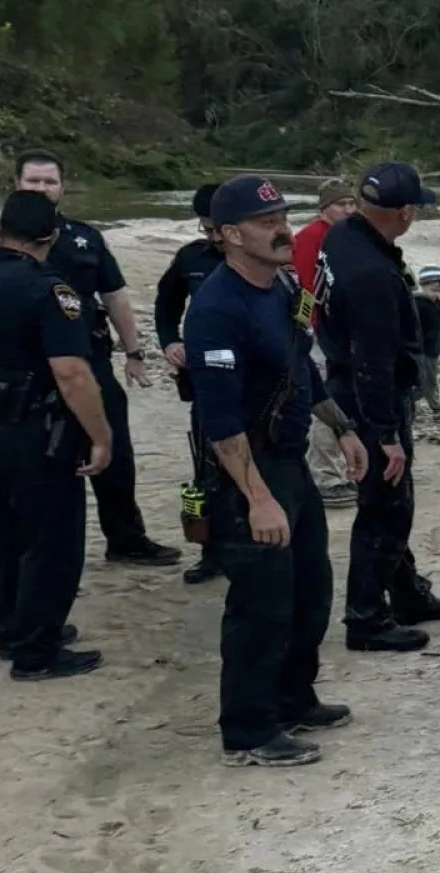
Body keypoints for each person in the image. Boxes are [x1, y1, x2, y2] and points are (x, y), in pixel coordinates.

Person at [184, 174, 370, 767]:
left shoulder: (283, 286)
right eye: (266, 223)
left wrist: (342, 428)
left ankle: (293, 698)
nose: (281, 229)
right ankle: (248, 730)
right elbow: (219, 422)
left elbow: (303, 371)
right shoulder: (216, 309)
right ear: (229, 235)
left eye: (282, 216)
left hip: (289, 465)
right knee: (261, 604)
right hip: (246, 473)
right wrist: (257, 498)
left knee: (309, 591)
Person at [0, 150, 181, 566]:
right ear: (15, 183)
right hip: (21, 373)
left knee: (115, 454)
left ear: (63, 186)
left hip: (88, 361)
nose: (41, 189)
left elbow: (115, 296)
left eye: (49, 181)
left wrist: (134, 352)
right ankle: (7, 558)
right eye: (32, 181)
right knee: (22, 467)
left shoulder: (85, 237)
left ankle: (126, 539)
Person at [0, 191, 114, 679]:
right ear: (52, 237)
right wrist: (102, 437)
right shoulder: (50, 290)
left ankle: (13, 630)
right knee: (51, 540)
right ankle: (36, 649)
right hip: (36, 428)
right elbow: (72, 374)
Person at [314, 161, 440, 652]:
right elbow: (371, 363)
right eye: (415, 207)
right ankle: (366, 617)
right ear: (403, 212)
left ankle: (405, 592)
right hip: (369, 394)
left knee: (391, 502)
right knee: (385, 507)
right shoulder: (370, 274)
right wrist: (386, 436)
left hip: (349, 379)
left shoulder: (343, 237)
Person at [156, 183, 228, 584]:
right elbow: (166, 305)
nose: (216, 238)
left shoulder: (266, 257)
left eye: (221, 228)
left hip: (259, 385)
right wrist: (169, 342)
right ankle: (209, 551)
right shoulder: (191, 259)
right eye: (208, 230)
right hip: (204, 381)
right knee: (207, 470)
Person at [292, 178, 361, 506]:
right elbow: (306, 286)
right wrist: (310, 327)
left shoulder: (349, 234)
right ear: (324, 208)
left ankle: (344, 466)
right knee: (327, 400)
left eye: (352, 203)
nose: (348, 210)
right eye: (341, 204)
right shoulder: (310, 237)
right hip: (320, 330)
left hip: (346, 330)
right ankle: (325, 475)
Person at [412, 265, 440, 420]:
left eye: (439, 291)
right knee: (426, 382)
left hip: (433, 351)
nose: (436, 294)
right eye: (433, 290)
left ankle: (411, 405)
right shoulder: (416, 305)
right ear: (423, 286)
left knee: (429, 379)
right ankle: (437, 410)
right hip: (420, 351)